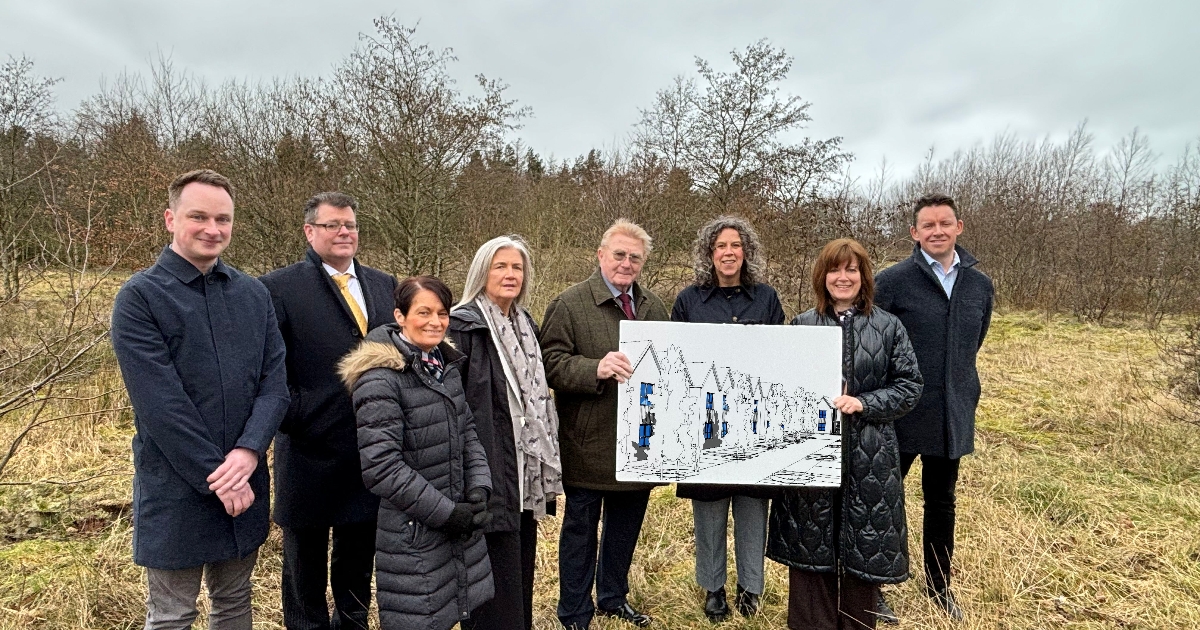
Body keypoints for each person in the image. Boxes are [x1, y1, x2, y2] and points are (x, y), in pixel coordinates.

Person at [110, 169, 289, 629]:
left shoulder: (254, 294)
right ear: (171, 219)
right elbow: (161, 405)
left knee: (234, 603)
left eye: (223, 219)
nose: (213, 229)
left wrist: (250, 452)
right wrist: (221, 476)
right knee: (173, 613)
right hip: (178, 484)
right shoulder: (140, 298)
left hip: (246, 477)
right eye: (199, 217)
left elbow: (274, 385)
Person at [766, 238, 923, 630]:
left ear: (863, 276)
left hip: (870, 458)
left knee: (863, 550)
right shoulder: (802, 325)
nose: (843, 277)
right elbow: (779, 385)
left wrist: (865, 403)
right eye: (835, 269)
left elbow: (909, 386)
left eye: (851, 269)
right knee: (810, 553)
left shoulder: (888, 326)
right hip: (811, 457)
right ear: (823, 276)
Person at [259, 192, 398, 629]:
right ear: (310, 231)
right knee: (305, 572)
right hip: (309, 452)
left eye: (351, 225)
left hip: (369, 451)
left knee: (357, 566)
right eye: (333, 225)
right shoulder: (278, 288)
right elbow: (267, 369)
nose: (344, 233)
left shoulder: (384, 284)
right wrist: (298, 415)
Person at [338, 276, 494, 630]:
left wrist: (479, 489)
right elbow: (382, 467)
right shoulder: (380, 379)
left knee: (452, 613)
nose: (435, 322)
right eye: (423, 312)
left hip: (456, 521)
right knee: (420, 619)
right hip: (415, 533)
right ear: (400, 315)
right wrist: (447, 514)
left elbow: (468, 431)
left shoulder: (444, 366)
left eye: (442, 313)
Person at [540, 219, 669, 630]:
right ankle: (575, 612)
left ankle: (613, 597)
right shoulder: (570, 303)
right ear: (600, 255)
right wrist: (595, 367)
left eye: (635, 257)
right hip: (587, 442)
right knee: (580, 533)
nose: (626, 263)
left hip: (640, 442)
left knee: (625, 530)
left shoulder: (654, 307)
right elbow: (550, 364)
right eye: (619, 254)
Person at [874, 194, 994, 622]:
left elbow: (972, 343)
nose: (937, 231)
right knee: (883, 499)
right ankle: (875, 586)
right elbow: (875, 341)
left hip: (952, 412)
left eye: (945, 223)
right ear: (914, 233)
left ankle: (939, 586)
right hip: (902, 410)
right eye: (928, 225)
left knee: (941, 501)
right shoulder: (893, 281)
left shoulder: (980, 285)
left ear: (959, 227)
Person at [670, 216, 785, 621]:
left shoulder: (767, 298)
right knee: (710, 507)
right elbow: (675, 361)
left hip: (755, 421)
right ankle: (713, 587)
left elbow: (781, 358)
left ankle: (750, 588)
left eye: (736, 245)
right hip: (705, 424)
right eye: (721, 246)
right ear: (710, 253)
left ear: (746, 251)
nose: (729, 252)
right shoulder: (689, 300)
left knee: (754, 508)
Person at [448, 235, 564, 630]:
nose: (510, 274)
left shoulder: (525, 323)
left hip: (524, 472)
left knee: (518, 572)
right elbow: (453, 407)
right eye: (501, 266)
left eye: (517, 267)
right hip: (487, 471)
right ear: (483, 272)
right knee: (490, 579)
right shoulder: (462, 327)